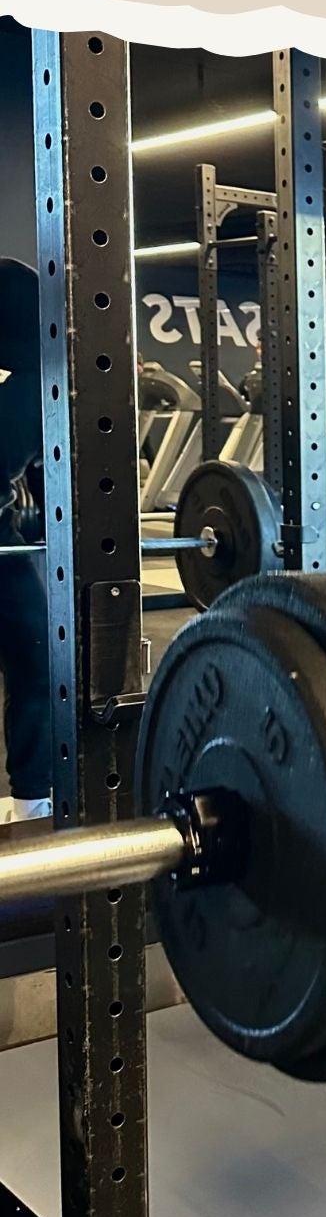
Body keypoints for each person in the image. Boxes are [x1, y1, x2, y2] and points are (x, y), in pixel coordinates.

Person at [0, 259, 52, 824]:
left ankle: (35, 804)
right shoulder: (35, 385)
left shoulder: (36, 385)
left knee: (38, 653)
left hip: (1, 531)